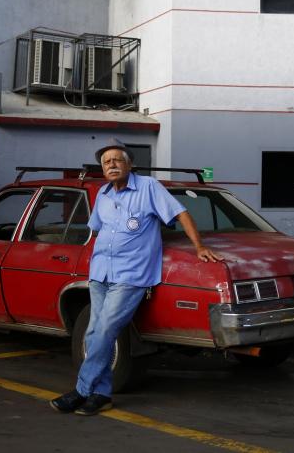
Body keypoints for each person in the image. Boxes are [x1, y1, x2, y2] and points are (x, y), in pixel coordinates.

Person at [50, 138, 223, 416]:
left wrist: (199, 247)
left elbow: (182, 213)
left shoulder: (149, 187)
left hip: (131, 274)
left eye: (117, 160)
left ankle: (82, 390)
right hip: (99, 273)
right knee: (95, 332)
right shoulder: (103, 195)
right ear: (102, 169)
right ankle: (102, 394)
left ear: (130, 163)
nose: (112, 165)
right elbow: (96, 230)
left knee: (106, 330)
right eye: (107, 162)